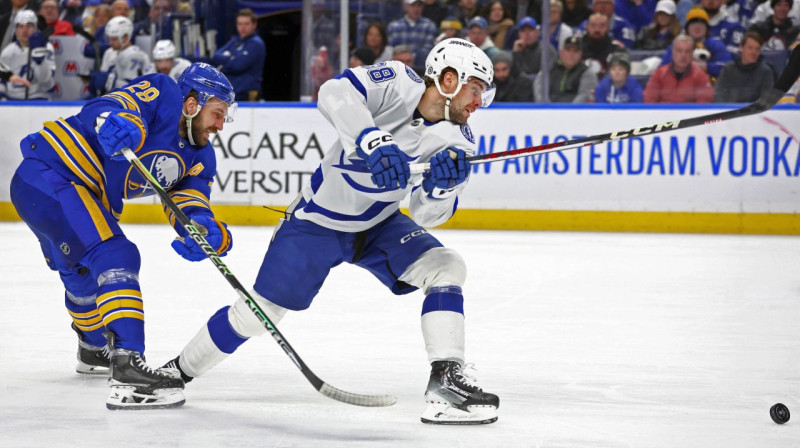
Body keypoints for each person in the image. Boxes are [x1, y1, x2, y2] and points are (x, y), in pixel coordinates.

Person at [162, 38, 501, 425]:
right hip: (316, 223)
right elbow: (333, 91)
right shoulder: (396, 81)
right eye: (476, 90)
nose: (478, 103)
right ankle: (174, 372)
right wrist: (372, 139)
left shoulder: (460, 139)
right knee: (257, 316)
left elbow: (427, 213)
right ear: (449, 78)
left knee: (446, 266)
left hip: (379, 224)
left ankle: (446, 382)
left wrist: (442, 187)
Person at [9, 62, 236, 409]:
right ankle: (128, 368)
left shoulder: (200, 156)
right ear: (192, 104)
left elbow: (189, 201)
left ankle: (93, 348)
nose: (220, 125)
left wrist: (202, 227)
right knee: (115, 256)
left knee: (82, 274)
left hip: (56, 190)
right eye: (217, 113)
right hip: (53, 173)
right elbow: (106, 108)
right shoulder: (163, 93)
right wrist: (114, 123)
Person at [660, 7, 732, 79]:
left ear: (707, 28)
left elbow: (728, 69)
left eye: (701, 23)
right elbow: (663, 68)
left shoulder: (716, 45)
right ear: (687, 28)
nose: (697, 27)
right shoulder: (677, 45)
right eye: (693, 23)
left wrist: (706, 66)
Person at [212, 8, 265, 102]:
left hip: (247, 94)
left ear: (254, 25)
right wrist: (231, 59)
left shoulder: (256, 43)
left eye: (246, 24)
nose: (243, 27)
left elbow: (238, 65)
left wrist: (225, 64)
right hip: (232, 93)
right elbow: (216, 56)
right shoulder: (235, 40)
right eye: (240, 24)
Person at [0, 10, 55, 100]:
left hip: (39, 99)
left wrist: (40, 61)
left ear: (36, 28)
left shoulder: (47, 48)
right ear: (16, 30)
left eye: (29, 26)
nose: (24, 31)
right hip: (11, 100)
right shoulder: (8, 51)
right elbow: (2, 80)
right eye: (21, 26)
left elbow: (47, 85)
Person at [644, 34, 713, 102]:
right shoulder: (659, 74)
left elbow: (703, 106)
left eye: (687, 51)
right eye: (679, 51)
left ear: (692, 53)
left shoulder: (701, 76)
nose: (683, 55)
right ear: (673, 52)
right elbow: (649, 102)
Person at [713, 31, 775, 101]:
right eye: (750, 48)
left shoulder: (765, 72)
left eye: (757, 49)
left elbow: (766, 100)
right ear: (741, 48)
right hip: (729, 109)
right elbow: (718, 94)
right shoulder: (728, 69)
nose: (753, 52)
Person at [535, 35, 597, 102]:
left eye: (575, 51)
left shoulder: (587, 73)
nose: (571, 54)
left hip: (574, 111)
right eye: (568, 50)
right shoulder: (549, 69)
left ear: (580, 54)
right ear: (561, 53)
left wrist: (569, 110)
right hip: (547, 110)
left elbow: (584, 96)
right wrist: (548, 109)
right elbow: (539, 91)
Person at [98, 16, 150, 92]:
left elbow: (130, 86)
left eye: (114, 39)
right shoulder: (109, 52)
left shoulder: (138, 55)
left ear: (125, 37)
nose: (110, 42)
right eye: (109, 38)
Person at [387, 0, 439, 67]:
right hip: (398, 66)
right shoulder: (394, 26)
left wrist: (411, 58)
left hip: (421, 67)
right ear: (405, 6)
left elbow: (428, 49)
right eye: (413, 5)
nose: (416, 9)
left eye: (419, 5)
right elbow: (391, 49)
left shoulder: (429, 26)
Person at [582, 13, 625, 79]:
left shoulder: (616, 48)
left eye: (602, 26)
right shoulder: (578, 45)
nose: (597, 29)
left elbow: (620, 74)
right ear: (587, 27)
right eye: (593, 26)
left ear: (608, 28)